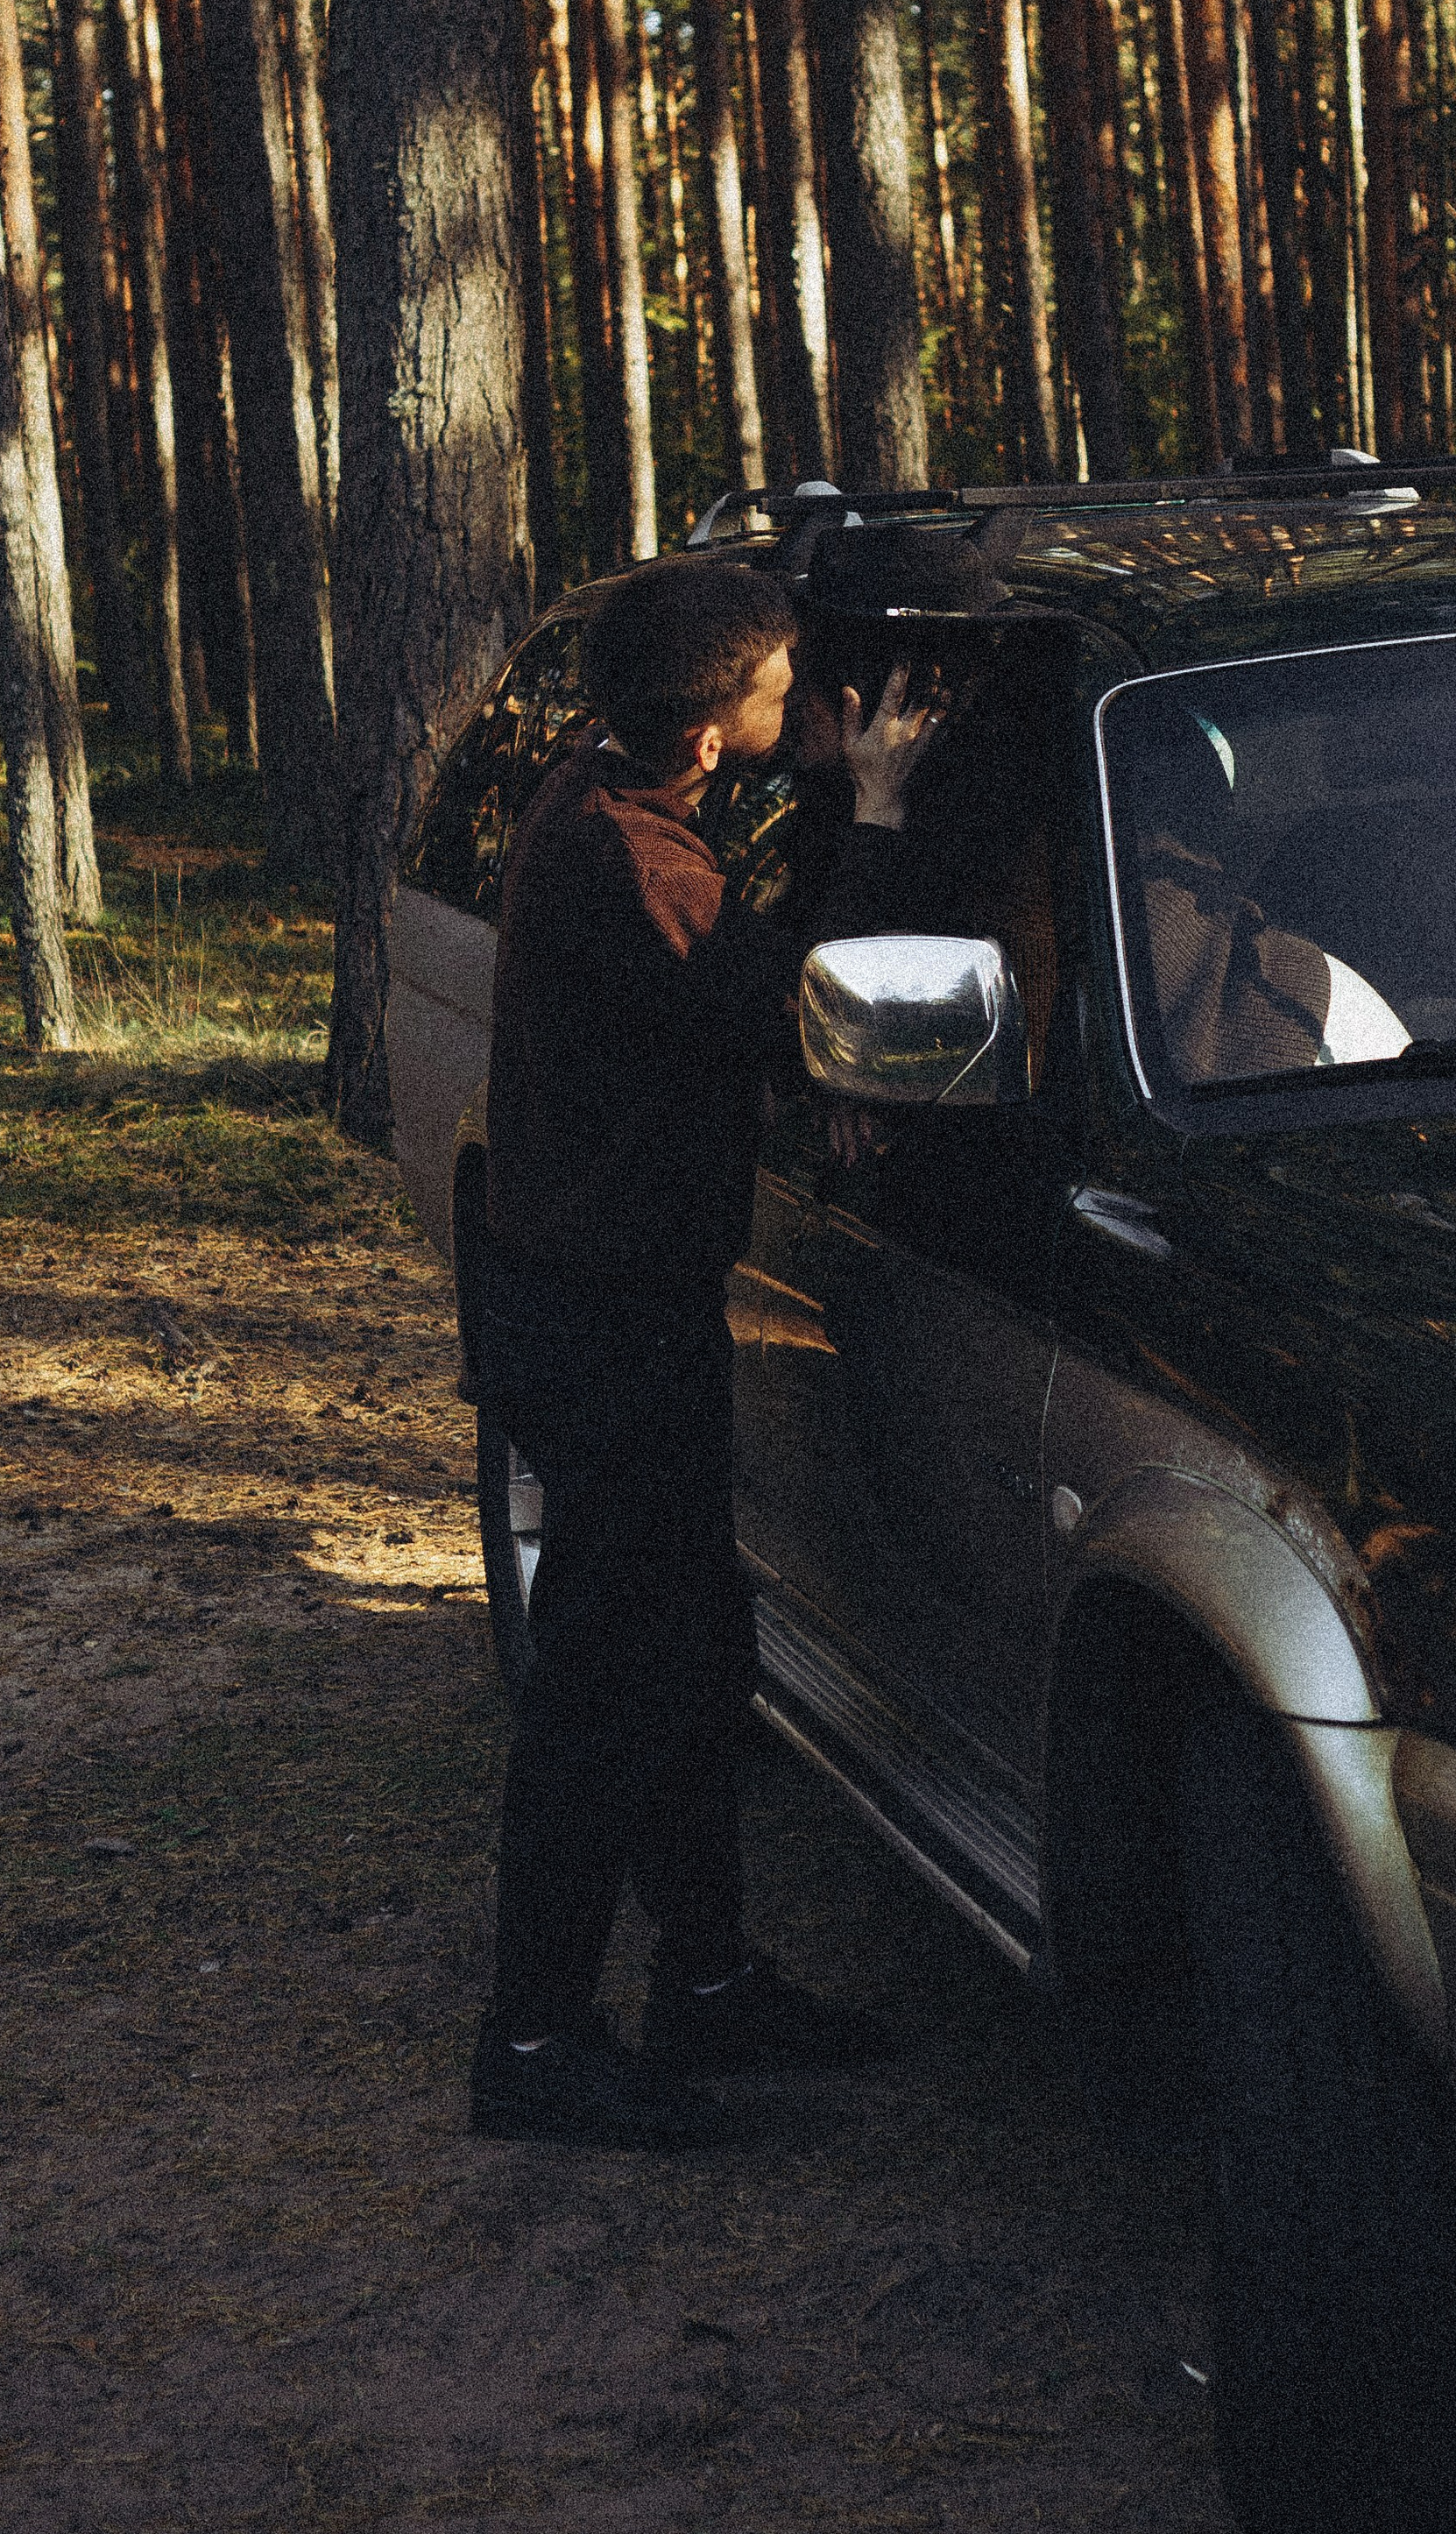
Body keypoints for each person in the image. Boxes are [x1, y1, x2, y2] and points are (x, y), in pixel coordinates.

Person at [469, 554, 937, 2152]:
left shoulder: (614, 798)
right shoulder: (633, 861)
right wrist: (877, 814)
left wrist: (811, 807)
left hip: (604, 1302)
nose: (803, 704)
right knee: (606, 1684)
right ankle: (533, 2041)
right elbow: (802, 1004)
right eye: (780, 690)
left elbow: (730, 985)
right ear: (706, 731)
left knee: (688, 1650)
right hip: (599, 1323)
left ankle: (709, 1980)